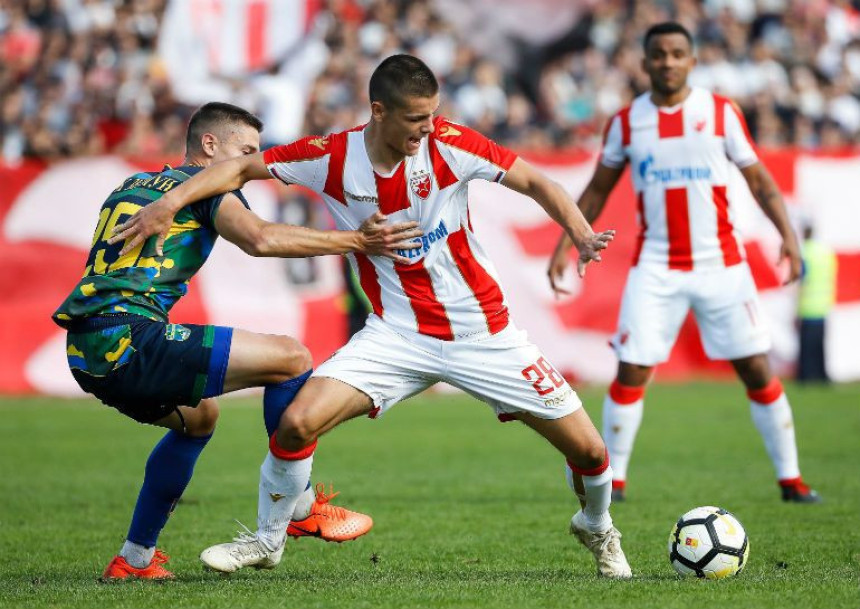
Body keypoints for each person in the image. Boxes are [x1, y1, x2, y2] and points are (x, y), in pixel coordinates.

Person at [108, 55, 632, 579]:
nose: (428, 128)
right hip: (396, 336)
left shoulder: (452, 143)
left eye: (433, 115)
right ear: (379, 111)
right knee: (296, 423)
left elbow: (539, 183)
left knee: (589, 451)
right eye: (416, 118)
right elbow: (241, 167)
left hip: (485, 333)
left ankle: (597, 524)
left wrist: (581, 233)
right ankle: (268, 541)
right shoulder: (333, 156)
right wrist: (170, 201)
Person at [53, 102, 424, 581]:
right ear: (210, 146)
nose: (251, 164)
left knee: (199, 418)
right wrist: (357, 241)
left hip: (86, 350)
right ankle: (300, 505)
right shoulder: (204, 190)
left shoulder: (132, 185)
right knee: (291, 358)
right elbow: (261, 239)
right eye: (245, 151)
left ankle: (134, 559)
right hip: (130, 336)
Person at [546, 22, 821, 504]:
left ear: (691, 61)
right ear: (645, 62)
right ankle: (617, 481)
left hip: (722, 265)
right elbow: (596, 190)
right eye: (659, 54)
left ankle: (792, 481)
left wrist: (788, 237)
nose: (668, 62)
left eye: (677, 54)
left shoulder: (719, 113)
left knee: (756, 369)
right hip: (657, 268)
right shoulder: (627, 122)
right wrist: (565, 244)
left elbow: (759, 182)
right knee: (631, 369)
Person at [796, 224, 837, 383]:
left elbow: (801, 278)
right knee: (819, 345)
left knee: (806, 346)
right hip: (823, 305)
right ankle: (821, 375)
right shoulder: (824, 252)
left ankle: (806, 376)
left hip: (807, 306)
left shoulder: (805, 252)